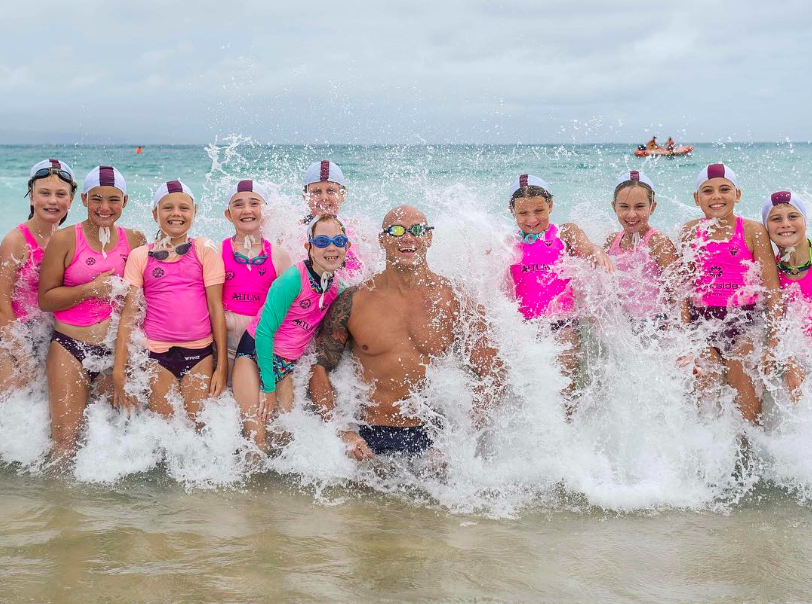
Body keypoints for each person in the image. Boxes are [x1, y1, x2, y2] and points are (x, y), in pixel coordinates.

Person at [309, 205, 504, 461]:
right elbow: (318, 366)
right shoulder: (354, 300)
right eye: (397, 230)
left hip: (436, 438)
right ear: (383, 239)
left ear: (429, 238)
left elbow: (493, 372)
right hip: (369, 436)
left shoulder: (455, 299)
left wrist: (459, 438)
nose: (407, 237)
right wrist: (341, 432)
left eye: (417, 230)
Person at [38, 166, 145, 462]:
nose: (105, 207)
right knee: (65, 442)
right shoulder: (64, 239)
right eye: (96, 199)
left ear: (125, 201)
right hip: (70, 347)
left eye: (114, 200)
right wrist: (91, 289)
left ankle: (103, 509)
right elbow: (46, 299)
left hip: (115, 351)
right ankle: (59, 506)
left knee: (111, 441)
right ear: (83, 199)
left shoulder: (135, 240)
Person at [113, 180, 227, 425]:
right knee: (167, 429)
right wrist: (118, 370)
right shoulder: (141, 255)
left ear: (194, 212)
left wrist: (222, 366)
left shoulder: (205, 249)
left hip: (200, 354)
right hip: (156, 354)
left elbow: (216, 309)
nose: (176, 214)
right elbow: (129, 316)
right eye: (168, 208)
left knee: (198, 427)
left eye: (184, 208)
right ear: (155, 213)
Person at [233, 215, 348, 450]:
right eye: (322, 241)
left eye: (338, 240)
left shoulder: (337, 288)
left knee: (284, 441)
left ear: (347, 246)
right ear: (309, 248)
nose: (331, 247)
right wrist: (268, 387)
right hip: (254, 355)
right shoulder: (293, 279)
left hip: (287, 364)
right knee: (259, 441)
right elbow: (264, 332)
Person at [679, 164, 781, 423]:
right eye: (708, 191)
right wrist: (684, 339)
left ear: (738, 194)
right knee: (705, 373)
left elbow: (772, 289)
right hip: (702, 322)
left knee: (740, 366)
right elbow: (682, 290)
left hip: (745, 320)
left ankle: (748, 444)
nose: (716, 197)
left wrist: (775, 341)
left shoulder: (752, 231)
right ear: (696, 197)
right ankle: (708, 448)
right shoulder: (689, 232)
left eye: (725, 189)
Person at [507, 174, 612, 405]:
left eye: (539, 211)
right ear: (511, 210)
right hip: (524, 330)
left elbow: (587, 247)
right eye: (523, 213)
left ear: (551, 205)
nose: (532, 220)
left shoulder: (565, 234)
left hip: (562, 324)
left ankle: (566, 429)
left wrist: (596, 252)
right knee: (530, 394)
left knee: (563, 390)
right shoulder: (506, 244)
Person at [0, 159, 75, 391]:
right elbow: (1, 304)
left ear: (70, 200)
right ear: (32, 197)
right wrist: (21, 356)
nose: (53, 201)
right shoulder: (17, 241)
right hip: (15, 338)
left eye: (60, 194)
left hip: (51, 338)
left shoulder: (66, 241)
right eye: (44, 193)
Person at [220, 179, 291, 371]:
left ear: (266, 211)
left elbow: (288, 309)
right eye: (238, 204)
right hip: (225, 348)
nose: (246, 210)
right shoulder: (217, 252)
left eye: (254, 203)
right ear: (228, 214)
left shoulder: (279, 255)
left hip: (263, 348)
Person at [603, 170, 679, 324]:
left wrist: (677, 330)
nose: (631, 215)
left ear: (652, 207)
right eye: (624, 207)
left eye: (639, 207)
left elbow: (677, 291)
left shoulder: (657, 242)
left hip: (656, 322)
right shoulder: (612, 241)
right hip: (623, 326)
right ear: (614, 207)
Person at [761, 190, 809, 397]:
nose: (785, 224)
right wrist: (789, 361)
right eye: (776, 219)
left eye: (793, 216)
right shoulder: (768, 273)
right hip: (794, 355)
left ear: (804, 220)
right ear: (766, 228)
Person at [302, 160, 364, 280]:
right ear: (305, 196)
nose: (324, 197)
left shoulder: (358, 232)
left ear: (343, 195)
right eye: (316, 192)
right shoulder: (291, 233)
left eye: (331, 191)